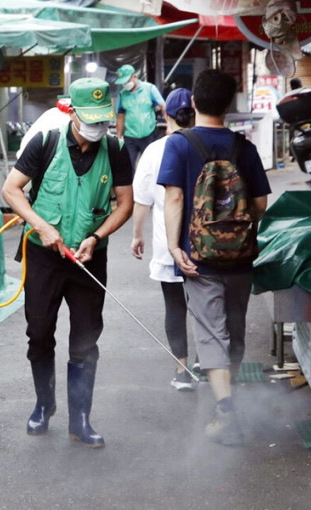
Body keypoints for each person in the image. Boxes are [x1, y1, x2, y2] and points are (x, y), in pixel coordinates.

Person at [2, 77, 133, 449]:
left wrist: (97, 237)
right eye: (88, 119)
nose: (96, 128)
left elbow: (125, 203)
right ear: (71, 111)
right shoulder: (45, 141)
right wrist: (41, 227)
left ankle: (81, 419)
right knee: (39, 332)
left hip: (89, 258)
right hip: (44, 255)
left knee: (86, 338)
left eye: (102, 120)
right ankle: (44, 404)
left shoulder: (115, 147)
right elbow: (11, 189)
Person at [158, 69, 271, 445]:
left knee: (210, 332)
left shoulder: (179, 144)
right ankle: (228, 399)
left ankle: (224, 411)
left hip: (197, 259)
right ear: (229, 105)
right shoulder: (245, 148)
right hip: (239, 258)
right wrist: (236, 231)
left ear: (193, 102)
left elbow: (174, 197)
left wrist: (176, 247)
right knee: (234, 330)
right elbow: (259, 204)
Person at [130, 87, 195, 392]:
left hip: (168, 245)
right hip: (208, 244)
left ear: (165, 115)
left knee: (175, 306)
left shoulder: (154, 151)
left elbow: (141, 200)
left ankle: (182, 370)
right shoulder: (204, 145)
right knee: (208, 304)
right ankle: (211, 365)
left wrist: (136, 235)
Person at [114, 64, 165, 171]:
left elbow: (163, 106)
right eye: (123, 82)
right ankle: (131, 187)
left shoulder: (149, 88)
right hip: (130, 137)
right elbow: (120, 116)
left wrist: (170, 125)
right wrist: (119, 137)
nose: (125, 84)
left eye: (126, 81)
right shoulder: (122, 94)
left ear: (134, 77)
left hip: (149, 134)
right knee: (127, 166)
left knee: (150, 166)